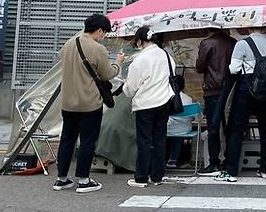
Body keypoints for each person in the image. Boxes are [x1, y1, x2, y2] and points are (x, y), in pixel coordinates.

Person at [54, 14, 124, 193]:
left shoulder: (69, 44)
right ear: (100, 30)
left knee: (67, 140)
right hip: (89, 103)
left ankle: (62, 179)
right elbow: (108, 74)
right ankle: (84, 181)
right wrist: (118, 63)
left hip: (68, 102)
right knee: (87, 141)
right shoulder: (97, 48)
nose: (104, 37)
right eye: (104, 33)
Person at [215, 27, 266, 183]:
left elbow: (234, 69)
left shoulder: (242, 44)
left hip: (246, 89)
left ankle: (231, 171)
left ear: (249, 27)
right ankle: (264, 170)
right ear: (265, 28)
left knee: (237, 129)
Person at [123, 26, 175, 188]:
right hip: (164, 102)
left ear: (140, 41)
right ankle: (157, 176)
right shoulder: (167, 56)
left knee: (144, 141)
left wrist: (125, 89)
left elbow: (131, 87)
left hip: (146, 104)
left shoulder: (141, 59)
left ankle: (141, 177)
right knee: (160, 139)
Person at [195, 28, 236, 175]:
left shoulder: (207, 43)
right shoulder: (233, 43)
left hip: (212, 90)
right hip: (230, 90)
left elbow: (199, 67)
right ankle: (228, 160)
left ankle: (214, 162)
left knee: (213, 127)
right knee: (228, 127)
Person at [166, 75, 194, 168]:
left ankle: (166, 159)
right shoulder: (188, 99)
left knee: (169, 131)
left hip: (168, 129)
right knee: (178, 134)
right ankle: (174, 160)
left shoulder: (167, 98)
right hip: (185, 130)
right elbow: (194, 117)